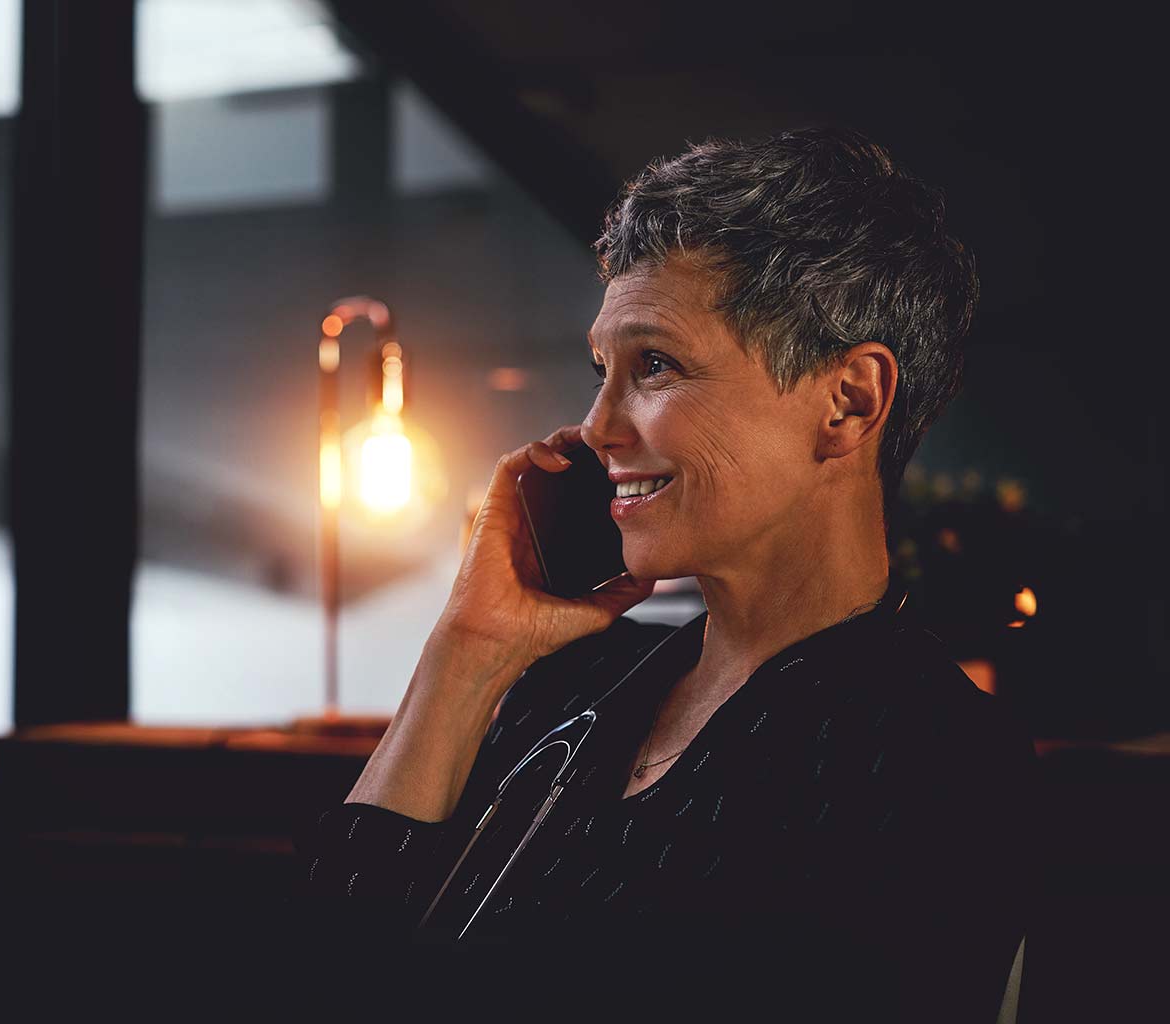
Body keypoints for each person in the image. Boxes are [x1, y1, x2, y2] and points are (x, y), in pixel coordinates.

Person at [288, 126, 1039, 1022]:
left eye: (655, 366)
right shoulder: (573, 685)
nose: (599, 428)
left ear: (848, 403)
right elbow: (321, 981)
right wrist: (468, 651)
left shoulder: (935, 758)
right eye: (602, 370)